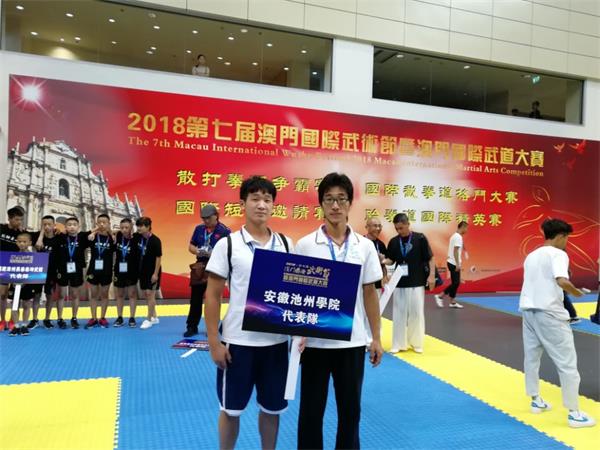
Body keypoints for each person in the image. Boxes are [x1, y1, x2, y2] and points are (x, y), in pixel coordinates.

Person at [296, 172, 383, 450]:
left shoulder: (364, 246)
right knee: (311, 412)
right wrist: (296, 334)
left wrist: (376, 337)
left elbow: (370, 293)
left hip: (352, 342)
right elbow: (297, 295)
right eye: (329, 199)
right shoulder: (305, 245)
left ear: (350, 203)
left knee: (350, 411)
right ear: (321, 204)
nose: (335, 205)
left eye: (341, 199)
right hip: (315, 343)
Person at [204, 176, 293, 450]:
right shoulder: (228, 245)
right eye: (255, 199)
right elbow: (212, 295)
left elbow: (297, 293)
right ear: (243, 204)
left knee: (272, 410)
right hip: (237, 343)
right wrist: (214, 342)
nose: (261, 205)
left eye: (267, 199)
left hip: (276, 344)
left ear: (274, 205)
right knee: (231, 410)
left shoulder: (287, 244)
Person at [519, 218, 595, 428]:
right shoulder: (558, 254)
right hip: (550, 313)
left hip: (528, 311)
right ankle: (574, 413)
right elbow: (562, 280)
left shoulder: (532, 255)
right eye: (567, 238)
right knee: (567, 363)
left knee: (531, 358)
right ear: (561, 236)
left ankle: (536, 400)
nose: (567, 242)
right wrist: (577, 293)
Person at [383, 213, 435, 353]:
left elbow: (430, 258)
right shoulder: (394, 241)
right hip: (399, 282)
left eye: (401, 228)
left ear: (407, 224)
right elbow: (391, 260)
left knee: (416, 313)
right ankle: (398, 344)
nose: (399, 231)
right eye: (396, 228)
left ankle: (416, 343)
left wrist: (431, 276)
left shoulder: (420, 238)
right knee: (399, 314)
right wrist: (382, 260)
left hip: (417, 281)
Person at [185, 204, 230, 337]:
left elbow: (229, 250)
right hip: (200, 267)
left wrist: (213, 254)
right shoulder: (199, 229)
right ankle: (192, 326)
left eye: (208, 218)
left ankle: (212, 328)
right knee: (195, 298)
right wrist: (198, 251)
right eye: (203, 218)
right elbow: (191, 246)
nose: (205, 221)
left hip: (216, 267)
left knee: (214, 299)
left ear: (216, 216)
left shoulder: (225, 231)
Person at [54, 217, 89, 329]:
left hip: (77, 270)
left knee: (75, 294)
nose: (72, 227)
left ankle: (74, 318)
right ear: (65, 227)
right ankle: (60, 318)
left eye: (74, 224)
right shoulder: (60, 237)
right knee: (61, 294)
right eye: (69, 225)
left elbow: (95, 231)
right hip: (62, 269)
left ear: (78, 227)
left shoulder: (82, 237)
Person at [84, 214, 115, 329]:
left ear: (108, 223)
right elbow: (82, 238)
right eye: (99, 222)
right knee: (93, 295)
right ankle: (93, 318)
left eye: (104, 222)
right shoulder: (92, 237)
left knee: (104, 295)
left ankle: (102, 318)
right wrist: (93, 231)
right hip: (93, 270)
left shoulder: (112, 239)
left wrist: (111, 233)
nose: (102, 224)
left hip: (106, 271)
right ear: (96, 223)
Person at [30, 215, 60, 329]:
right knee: (36, 295)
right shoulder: (36, 236)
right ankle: (34, 319)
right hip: (38, 270)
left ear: (54, 225)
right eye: (44, 225)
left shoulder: (58, 238)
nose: (47, 227)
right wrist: (41, 235)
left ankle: (47, 319)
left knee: (49, 295)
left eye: (49, 224)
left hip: (51, 271)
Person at [0, 206, 24, 331]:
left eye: (21, 219)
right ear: (9, 219)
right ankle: (2, 320)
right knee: (2, 294)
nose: (19, 222)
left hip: (16, 266)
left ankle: (12, 320)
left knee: (15, 295)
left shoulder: (22, 233)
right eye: (17, 219)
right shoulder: (1, 228)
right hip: (2, 265)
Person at [113, 218, 140, 327]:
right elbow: (109, 231)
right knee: (120, 294)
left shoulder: (136, 238)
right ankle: (119, 317)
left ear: (131, 227)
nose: (124, 230)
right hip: (119, 270)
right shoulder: (118, 235)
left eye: (126, 227)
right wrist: (115, 232)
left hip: (132, 271)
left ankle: (132, 317)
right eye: (122, 227)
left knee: (132, 294)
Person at [8, 232, 36, 336]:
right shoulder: (12, 256)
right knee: (14, 306)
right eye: (19, 242)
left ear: (30, 243)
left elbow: (36, 271)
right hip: (15, 284)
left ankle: (24, 325)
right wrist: (12, 281)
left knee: (26, 305)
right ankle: (16, 326)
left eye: (24, 242)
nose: (22, 244)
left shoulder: (33, 256)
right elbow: (8, 271)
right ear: (16, 242)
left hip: (28, 284)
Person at [435, 221, 467, 308]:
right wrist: (457, 264)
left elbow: (458, 248)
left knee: (455, 283)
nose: (466, 230)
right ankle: (440, 296)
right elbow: (455, 250)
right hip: (453, 263)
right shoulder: (458, 237)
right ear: (462, 227)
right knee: (456, 283)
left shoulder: (455, 236)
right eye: (466, 228)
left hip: (452, 262)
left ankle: (452, 302)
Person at [137, 217, 162, 330]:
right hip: (142, 271)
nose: (139, 228)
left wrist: (155, 274)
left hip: (153, 272)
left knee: (150, 294)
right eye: (138, 226)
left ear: (148, 227)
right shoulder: (138, 237)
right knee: (147, 295)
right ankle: (155, 317)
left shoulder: (156, 240)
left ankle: (148, 319)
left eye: (141, 226)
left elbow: (158, 258)